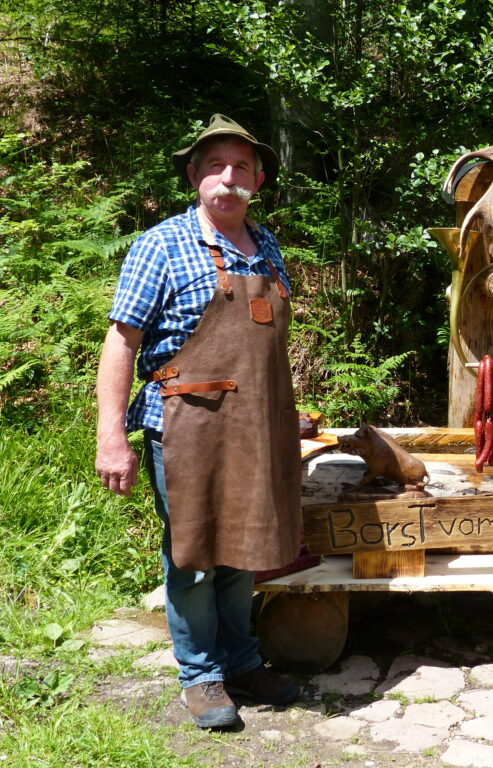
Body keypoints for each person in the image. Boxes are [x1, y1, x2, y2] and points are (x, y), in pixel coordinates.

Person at [95, 114, 302, 729]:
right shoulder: (160, 244)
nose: (227, 177)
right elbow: (120, 343)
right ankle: (201, 676)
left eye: (240, 166)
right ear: (194, 176)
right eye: (215, 165)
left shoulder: (266, 246)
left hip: (255, 427)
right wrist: (112, 437)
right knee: (193, 555)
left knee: (245, 548)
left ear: (257, 181)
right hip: (184, 426)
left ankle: (241, 662)